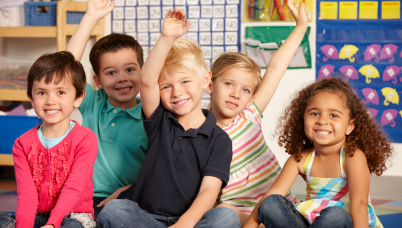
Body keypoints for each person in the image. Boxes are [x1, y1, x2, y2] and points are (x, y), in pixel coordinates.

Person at [96, 9, 240, 228]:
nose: (177, 92)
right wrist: (167, 38)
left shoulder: (219, 140)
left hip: (192, 222)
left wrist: (184, 224)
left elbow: (209, 190)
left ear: (205, 80)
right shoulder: (159, 120)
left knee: (227, 217)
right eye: (166, 86)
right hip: (146, 217)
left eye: (185, 82)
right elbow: (146, 80)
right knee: (113, 210)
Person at [206, 0, 307, 226]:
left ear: (252, 97)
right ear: (209, 83)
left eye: (245, 89)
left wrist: (300, 26)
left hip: (276, 206)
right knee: (221, 212)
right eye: (229, 84)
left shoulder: (249, 114)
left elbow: (275, 68)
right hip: (238, 214)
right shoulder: (199, 129)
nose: (235, 94)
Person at [244, 77, 392, 228]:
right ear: (303, 120)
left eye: (333, 115)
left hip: (343, 221)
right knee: (270, 203)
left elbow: (359, 203)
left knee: (335, 215)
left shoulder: (352, 156)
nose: (322, 120)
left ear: (350, 126)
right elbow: (272, 194)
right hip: (310, 223)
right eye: (314, 113)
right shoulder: (300, 158)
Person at [65, 0, 148, 218]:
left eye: (130, 69)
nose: (122, 78)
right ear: (98, 80)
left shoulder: (150, 115)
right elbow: (66, 67)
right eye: (111, 72)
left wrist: (126, 193)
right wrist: (91, 17)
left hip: (130, 199)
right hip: (85, 199)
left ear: (142, 72)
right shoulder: (93, 102)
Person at [0, 51, 98, 228]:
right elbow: (26, 193)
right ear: (30, 97)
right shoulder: (21, 144)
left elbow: (74, 187)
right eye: (41, 93)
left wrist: (53, 224)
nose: (50, 101)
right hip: (37, 217)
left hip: (73, 217)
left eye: (61, 92)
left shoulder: (86, 139)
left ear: (78, 98)